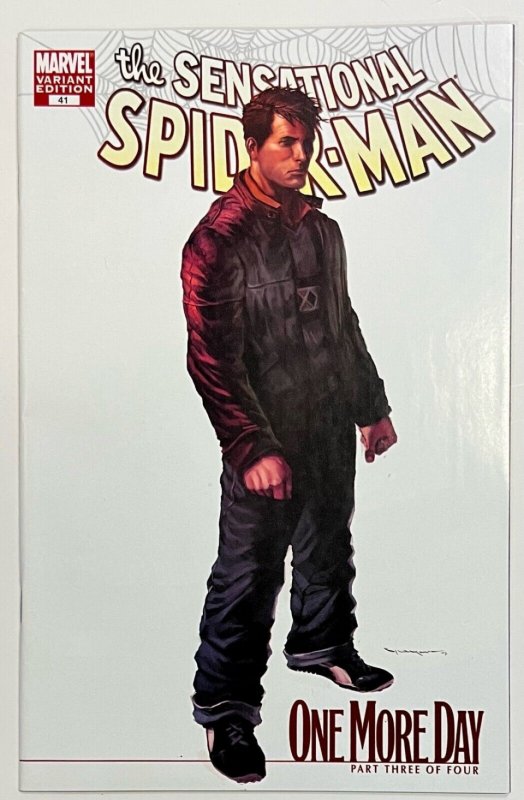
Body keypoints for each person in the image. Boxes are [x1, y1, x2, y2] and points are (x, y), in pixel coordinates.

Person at [181, 87, 397, 784]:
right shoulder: (218, 240)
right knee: (249, 571)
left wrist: (370, 407)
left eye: (307, 142)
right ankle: (225, 710)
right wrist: (250, 446)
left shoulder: (322, 231)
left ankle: (323, 646)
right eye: (286, 143)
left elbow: (342, 323)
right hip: (266, 437)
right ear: (253, 147)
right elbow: (210, 357)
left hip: (328, 422)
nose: (301, 155)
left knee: (329, 542)